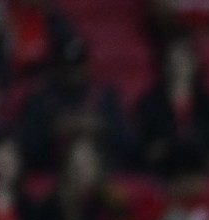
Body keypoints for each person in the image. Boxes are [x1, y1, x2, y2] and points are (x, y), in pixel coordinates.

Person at [15, 35, 130, 174]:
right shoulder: (40, 99)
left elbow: (126, 143)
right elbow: (24, 148)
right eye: (66, 67)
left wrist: (99, 127)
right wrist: (53, 130)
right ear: (57, 67)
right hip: (52, 174)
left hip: (102, 175)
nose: (71, 73)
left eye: (77, 67)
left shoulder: (105, 96)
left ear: (87, 65)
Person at [28, 137, 139, 220]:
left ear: (97, 164)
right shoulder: (52, 204)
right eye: (76, 163)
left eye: (87, 161)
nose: (81, 168)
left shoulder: (112, 199)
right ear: (67, 167)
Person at [134, 38, 209, 180]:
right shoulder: (150, 104)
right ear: (165, 66)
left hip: (202, 176)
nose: (179, 67)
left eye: (184, 61)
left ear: (195, 64)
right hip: (161, 176)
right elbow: (142, 147)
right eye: (174, 61)